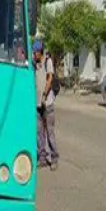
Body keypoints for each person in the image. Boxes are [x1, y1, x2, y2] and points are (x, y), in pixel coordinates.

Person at [34, 39, 59, 170]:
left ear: (40, 52)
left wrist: (44, 94)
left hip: (47, 103)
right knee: (39, 133)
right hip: (37, 104)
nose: (34, 55)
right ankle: (42, 157)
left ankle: (54, 157)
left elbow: (49, 78)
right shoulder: (35, 64)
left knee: (50, 132)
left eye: (36, 52)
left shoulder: (47, 62)